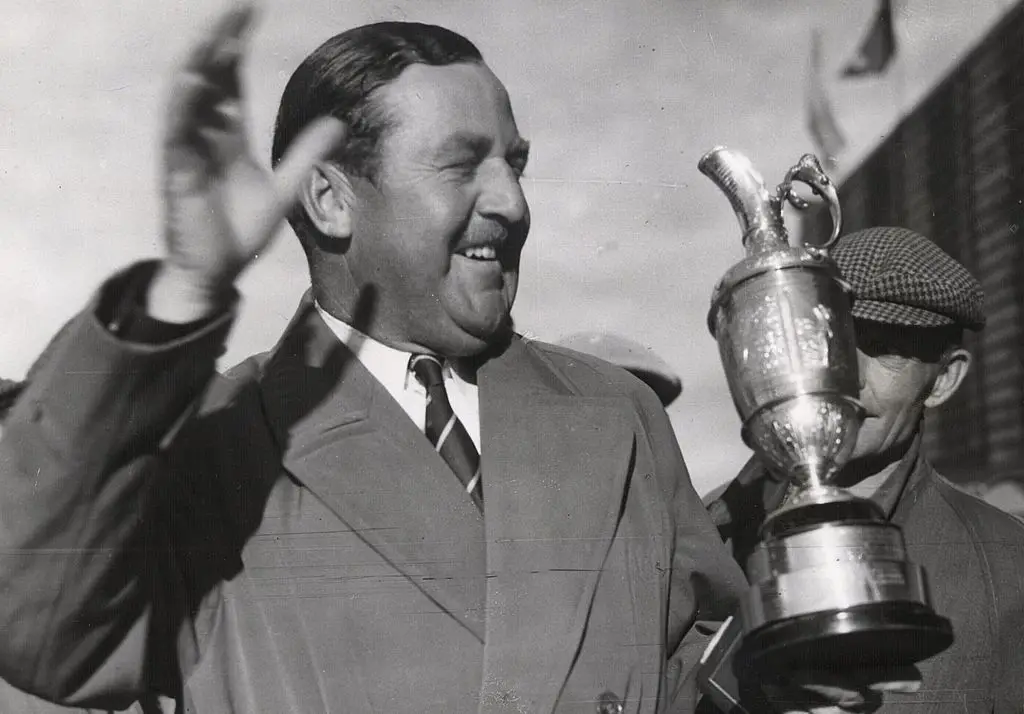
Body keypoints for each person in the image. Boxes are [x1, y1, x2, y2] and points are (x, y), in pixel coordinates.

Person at [0, 6, 749, 713]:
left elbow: (700, 664)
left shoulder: (619, 414)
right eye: (462, 167)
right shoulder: (215, 447)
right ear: (330, 200)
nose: (513, 204)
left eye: (515, 163)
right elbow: (41, 626)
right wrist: (185, 288)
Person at [706, 226, 1024, 714]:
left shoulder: (1008, 566)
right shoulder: (706, 531)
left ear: (944, 379)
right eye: (830, 337)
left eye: (885, 348)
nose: (846, 373)